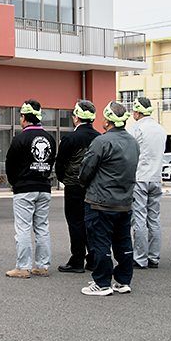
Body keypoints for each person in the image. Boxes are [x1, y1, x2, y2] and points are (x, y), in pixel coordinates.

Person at [77, 102, 139, 296]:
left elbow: (86, 169)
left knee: (100, 242)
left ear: (107, 120)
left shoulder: (102, 141)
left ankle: (102, 282)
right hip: (125, 201)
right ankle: (122, 280)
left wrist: (83, 184)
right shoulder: (132, 141)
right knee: (123, 242)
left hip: (101, 202)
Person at [5, 100, 57, 278]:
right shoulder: (50, 138)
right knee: (42, 227)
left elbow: (10, 166)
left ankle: (23, 267)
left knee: (23, 228)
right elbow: (51, 162)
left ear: (25, 118)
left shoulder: (19, 139)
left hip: (25, 188)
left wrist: (15, 183)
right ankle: (42, 266)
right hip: (44, 186)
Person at [54, 100, 100, 273]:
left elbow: (60, 163)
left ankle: (77, 260)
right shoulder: (99, 137)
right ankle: (93, 259)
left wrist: (63, 179)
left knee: (75, 222)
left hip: (74, 186)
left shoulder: (70, 138)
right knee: (92, 222)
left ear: (76, 118)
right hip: (94, 187)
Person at [128, 97, 166, 269]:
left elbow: (129, 154)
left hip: (139, 177)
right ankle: (154, 257)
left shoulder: (135, 129)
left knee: (139, 219)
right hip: (156, 177)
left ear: (137, 112)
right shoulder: (161, 129)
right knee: (154, 218)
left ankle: (140, 258)